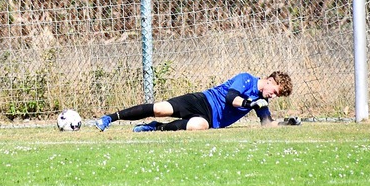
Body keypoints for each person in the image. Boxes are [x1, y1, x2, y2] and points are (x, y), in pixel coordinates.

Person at [94, 71, 293, 132]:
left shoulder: (261, 101)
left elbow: (266, 123)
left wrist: (288, 123)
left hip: (210, 119)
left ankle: (155, 127)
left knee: (199, 126)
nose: (273, 96)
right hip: (202, 101)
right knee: (160, 108)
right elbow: (231, 98)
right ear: (269, 81)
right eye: (275, 92)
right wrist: (250, 104)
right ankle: (109, 118)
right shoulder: (246, 79)